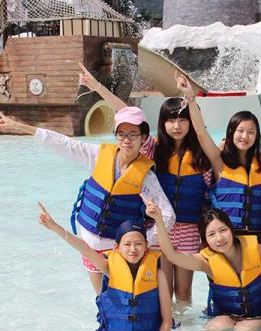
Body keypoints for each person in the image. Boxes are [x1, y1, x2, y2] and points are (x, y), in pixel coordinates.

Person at [0, 108, 175, 295]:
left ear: (143, 138)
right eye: (122, 134)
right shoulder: (99, 155)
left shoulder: (147, 177)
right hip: (89, 247)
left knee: (123, 302)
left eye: (133, 135)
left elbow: (168, 215)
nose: (127, 140)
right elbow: (64, 144)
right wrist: (18, 126)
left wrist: (144, 239)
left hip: (118, 252)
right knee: (101, 301)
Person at [78, 64, 211, 304]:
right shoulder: (154, 149)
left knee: (184, 293)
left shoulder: (202, 158)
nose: (177, 126)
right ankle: (167, 324)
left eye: (182, 120)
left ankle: (185, 326)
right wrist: (96, 87)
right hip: (160, 229)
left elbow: (209, 196)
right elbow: (126, 113)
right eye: (171, 121)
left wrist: (190, 97)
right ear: (163, 123)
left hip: (188, 231)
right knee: (163, 291)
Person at [37, 205, 172, 331]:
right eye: (127, 244)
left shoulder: (158, 274)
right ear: (117, 247)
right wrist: (54, 226)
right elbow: (83, 247)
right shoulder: (109, 268)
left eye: (138, 243)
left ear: (146, 245)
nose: (133, 249)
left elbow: (167, 320)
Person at [144, 196, 261, 331]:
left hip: (259, 315)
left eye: (223, 230)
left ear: (231, 229)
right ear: (205, 240)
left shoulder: (255, 249)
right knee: (214, 327)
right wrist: (159, 220)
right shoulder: (207, 262)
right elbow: (171, 255)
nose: (219, 238)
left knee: (245, 329)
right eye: (211, 234)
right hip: (228, 315)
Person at [174, 75, 261, 249]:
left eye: (251, 132)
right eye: (240, 130)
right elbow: (201, 133)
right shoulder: (219, 161)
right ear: (231, 132)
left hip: (258, 238)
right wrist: (190, 98)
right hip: (226, 238)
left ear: (256, 137)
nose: (245, 136)